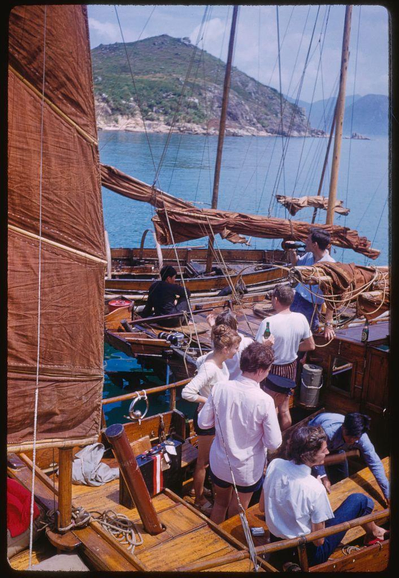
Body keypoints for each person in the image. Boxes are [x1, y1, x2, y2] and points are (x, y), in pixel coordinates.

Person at [260, 426, 388, 566]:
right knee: (359, 500)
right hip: (306, 556)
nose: (327, 452)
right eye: (323, 450)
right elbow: (318, 541)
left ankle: (375, 531)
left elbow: (262, 507)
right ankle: (376, 533)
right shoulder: (315, 488)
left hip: (277, 547)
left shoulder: (275, 465)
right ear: (309, 455)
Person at [198, 342, 282, 524]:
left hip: (220, 463)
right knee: (237, 511)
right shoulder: (265, 401)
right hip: (246, 470)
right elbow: (274, 444)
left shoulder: (219, 388)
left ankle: (214, 540)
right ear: (260, 371)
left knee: (219, 504)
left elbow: (203, 423)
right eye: (268, 370)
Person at [181, 325, 241, 514]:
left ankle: (196, 488)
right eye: (235, 348)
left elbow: (199, 363)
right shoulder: (211, 367)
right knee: (203, 461)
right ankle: (198, 499)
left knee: (207, 459)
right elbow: (187, 392)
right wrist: (207, 400)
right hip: (207, 418)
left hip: (213, 416)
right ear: (225, 349)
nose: (236, 351)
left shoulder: (212, 360)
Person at [255, 285, 315, 430]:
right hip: (291, 368)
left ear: (276, 299)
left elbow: (256, 351)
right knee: (284, 408)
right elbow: (311, 345)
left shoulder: (268, 322)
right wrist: (293, 347)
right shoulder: (301, 318)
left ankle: (271, 444)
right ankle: (285, 437)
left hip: (273, 370)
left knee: (269, 410)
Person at [308, 412, 390, 505]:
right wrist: (323, 476)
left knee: (343, 481)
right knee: (316, 484)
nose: (351, 440)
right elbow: (313, 454)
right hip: (313, 444)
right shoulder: (328, 432)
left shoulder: (362, 437)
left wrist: (388, 493)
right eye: (349, 436)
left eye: (355, 438)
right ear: (343, 427)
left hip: (337, 447)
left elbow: (374, 462)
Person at [287, 228, 335, 340]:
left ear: (315, 244)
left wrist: (328, 324)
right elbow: (296, 264)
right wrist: (292, 251)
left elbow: (332, 299)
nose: (305, 242)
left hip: (310, 307)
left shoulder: (331, 265)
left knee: (305, 336)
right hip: (296, 299)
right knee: (290, 332)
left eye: (308, 240)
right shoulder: (309, 256)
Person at [205, 308, 253, 379]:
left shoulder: (216, 342)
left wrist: (213, 326)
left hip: (224, 380)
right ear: (236, 326)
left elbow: (218, 335)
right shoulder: (247, 342)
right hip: (240, 381)